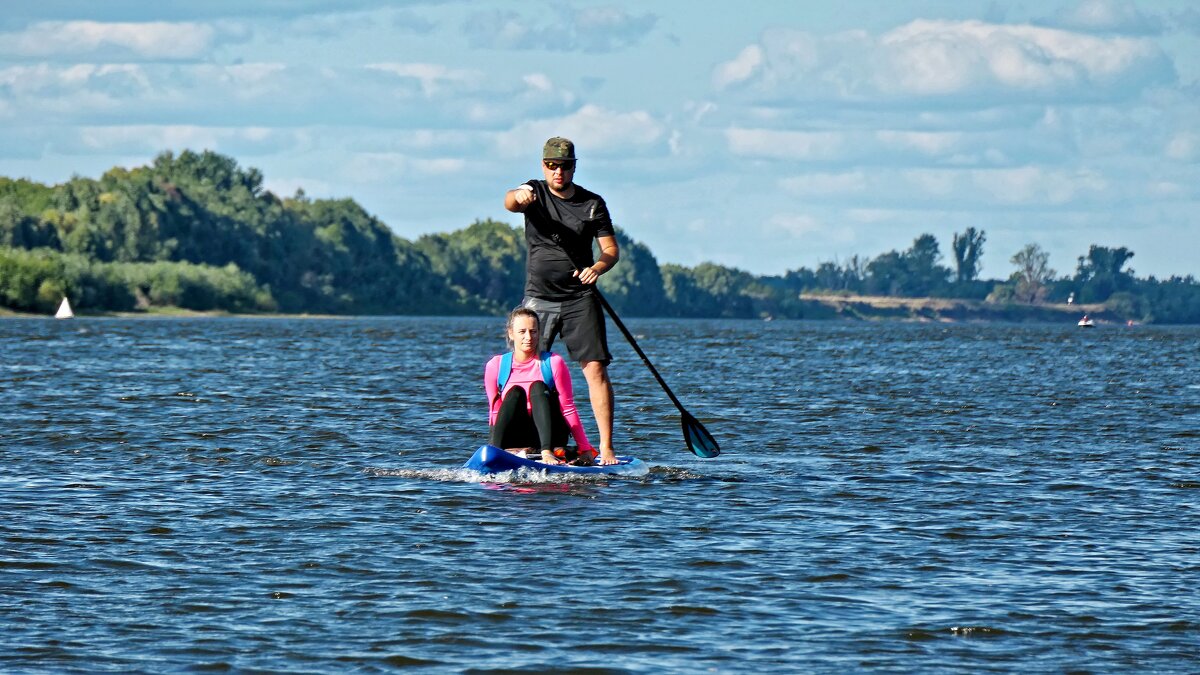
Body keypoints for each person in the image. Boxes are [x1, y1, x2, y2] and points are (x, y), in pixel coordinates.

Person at [504, 136, 621, 465]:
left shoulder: (592, 204)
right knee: (527, 371)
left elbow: (610, 250)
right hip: (538, 297)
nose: (558, 172)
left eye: (565, 166)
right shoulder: (534, 191)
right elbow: (510, 202)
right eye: (552, 166)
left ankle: (606, 448)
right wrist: (519, 195)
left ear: (574, 167)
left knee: (595, 369)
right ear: (544, 166)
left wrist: (597, 268)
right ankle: (530, 444)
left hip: (579, 299)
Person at [484, 307, 596, 465]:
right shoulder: (496, 365)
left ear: (539, 333)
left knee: (537, 387)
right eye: (522, 331)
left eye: (533, 331)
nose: (528, 337)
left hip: (551, 434)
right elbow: (495, 410)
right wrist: (490, 453)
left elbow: (568, 407)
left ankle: (547, 452)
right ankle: (496, 450)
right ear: (511, 333)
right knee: (515, 393)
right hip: (517, 434)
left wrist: (585, 449)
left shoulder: (553, 362)